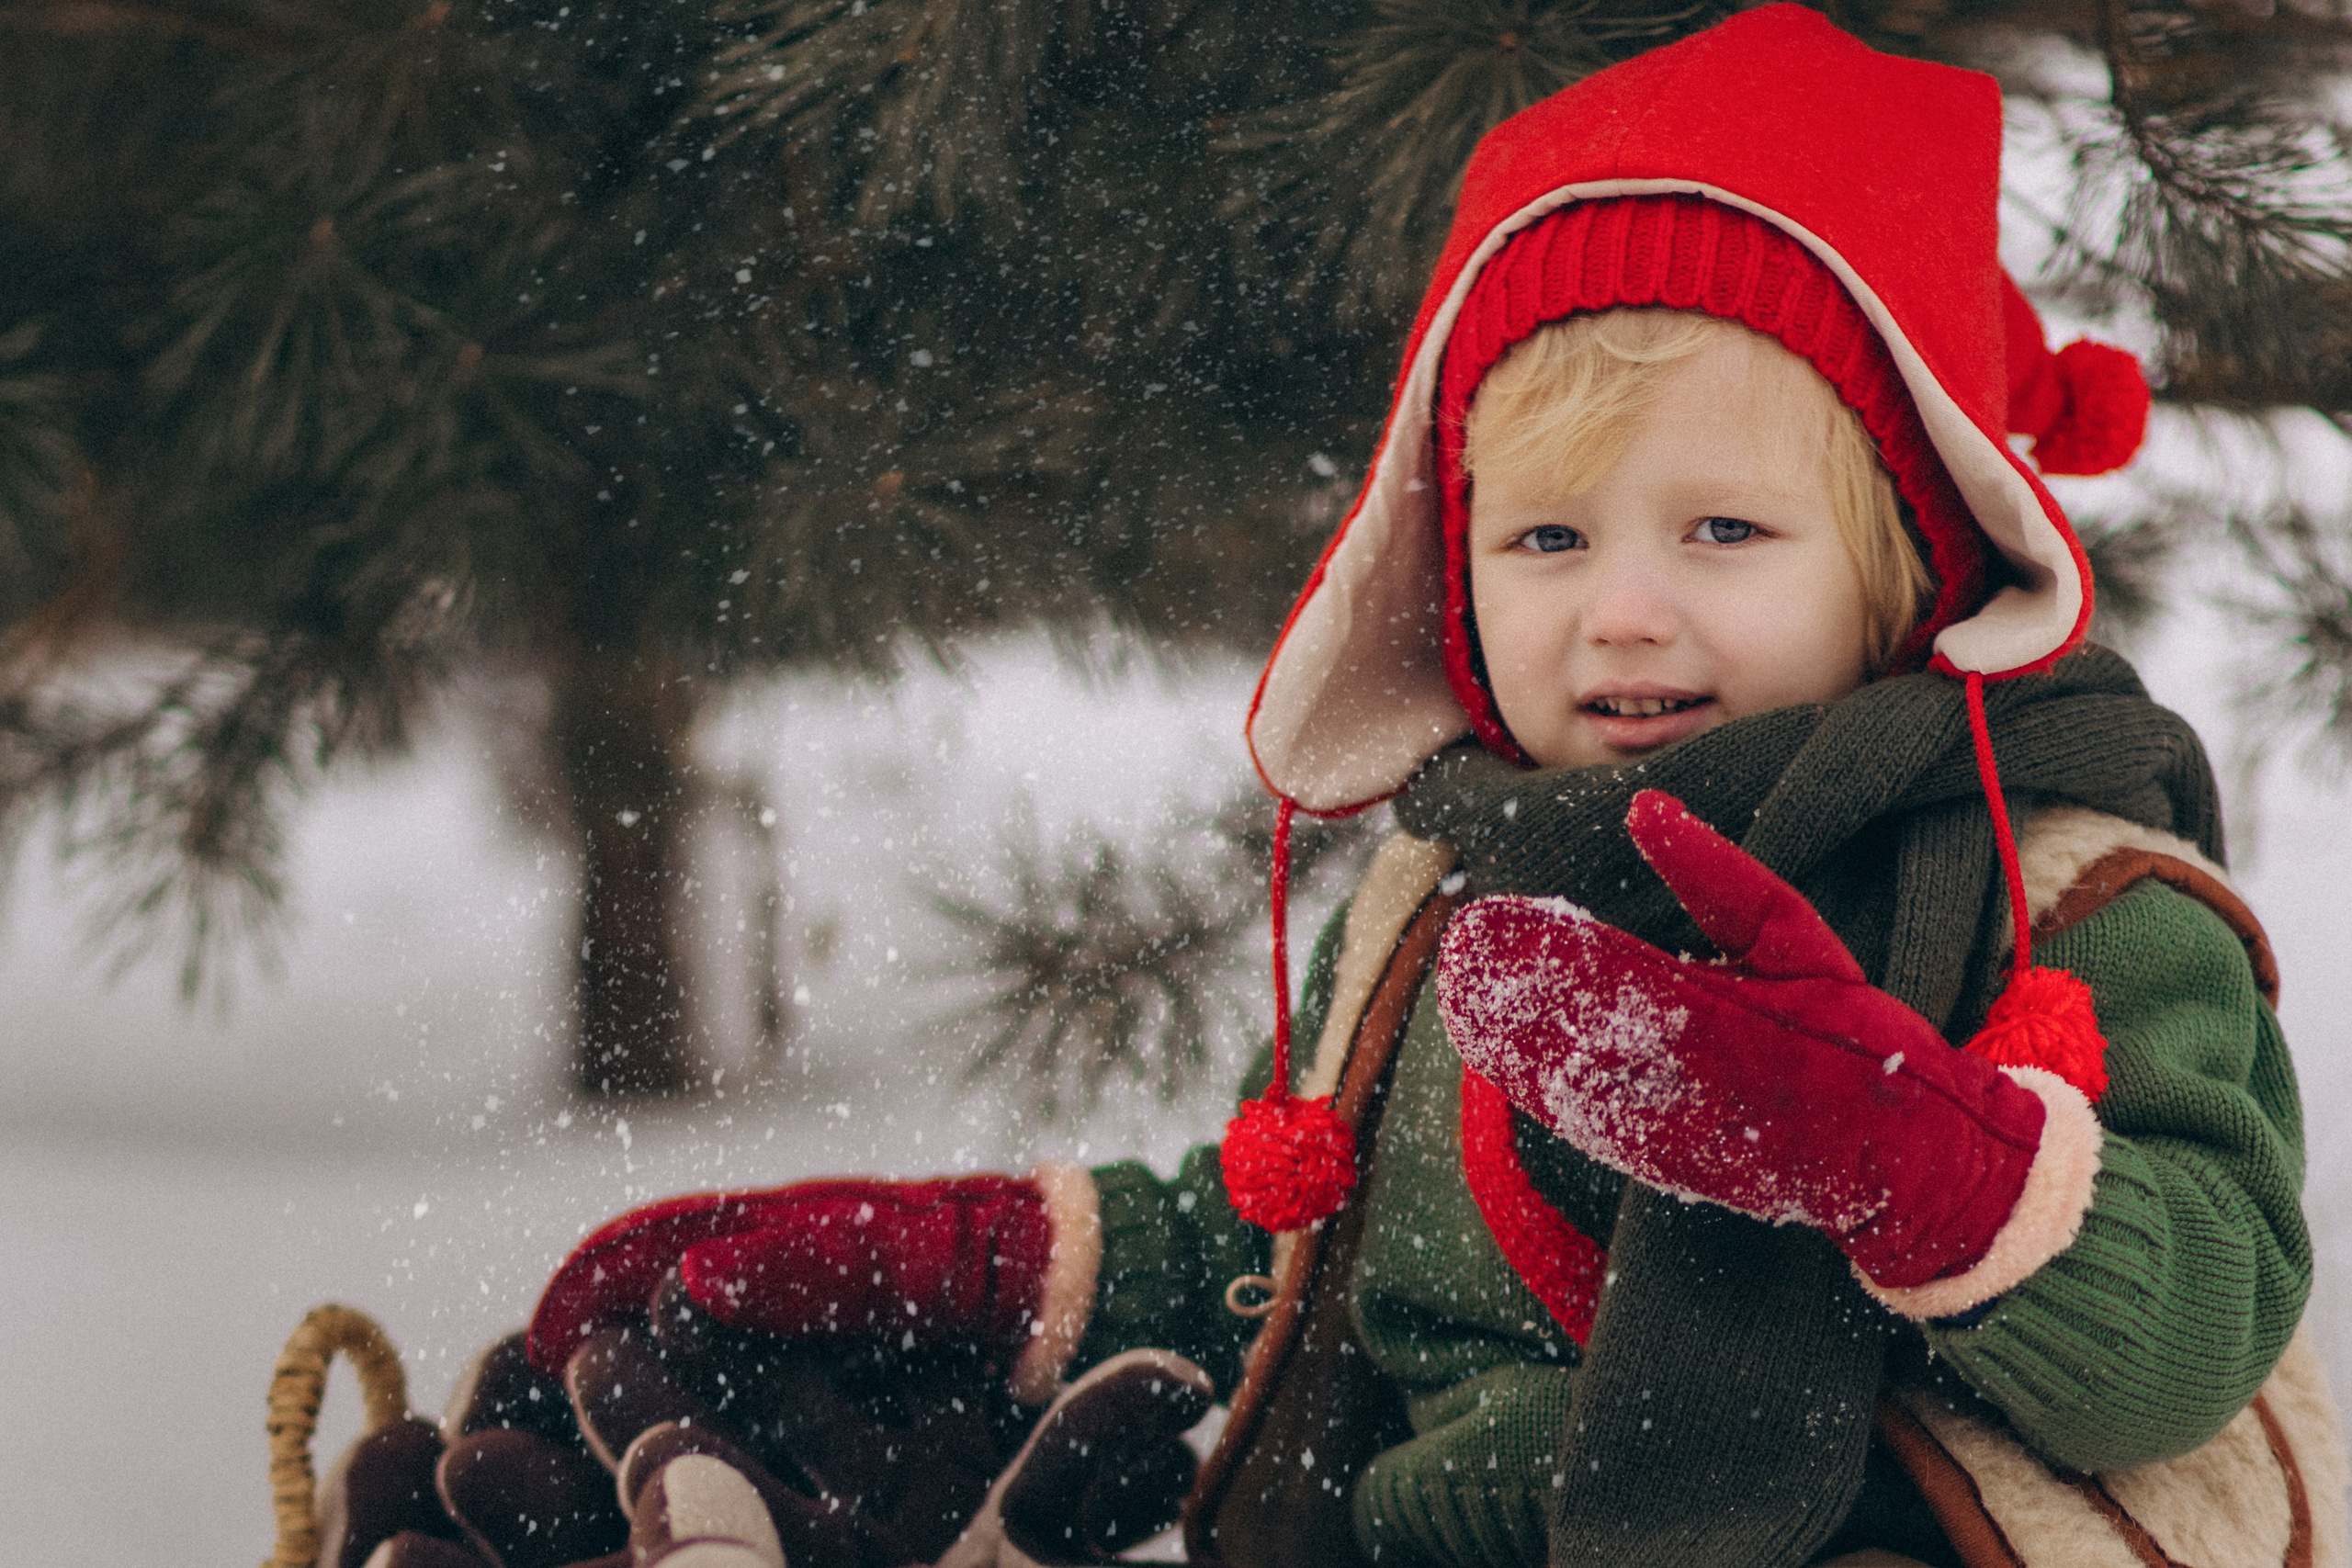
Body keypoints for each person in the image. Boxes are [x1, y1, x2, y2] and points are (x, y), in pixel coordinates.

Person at [383, 9, 2346, 1568]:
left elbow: (2191, 1339)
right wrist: (972, 1268)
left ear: (1911, 559)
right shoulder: (1443, 894)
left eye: (1725, 528)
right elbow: (1295, 1252)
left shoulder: (2063, 894)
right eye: (1548, 537)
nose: (1623, 609)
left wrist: (1912, 1165)